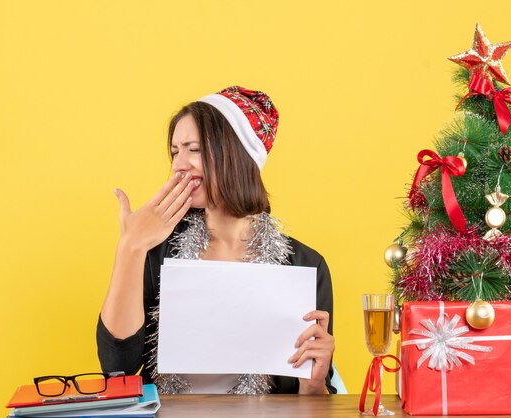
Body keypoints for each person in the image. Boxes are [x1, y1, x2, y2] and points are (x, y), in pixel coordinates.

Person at [96, 86, 335, 395]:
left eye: (192, 149)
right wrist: (131, 246)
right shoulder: (158, 253)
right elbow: (118, 368)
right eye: (175, 152)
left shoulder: (305, 265)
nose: (179, 164)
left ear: (236, 154)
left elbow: (315, 400)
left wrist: (314, 384)